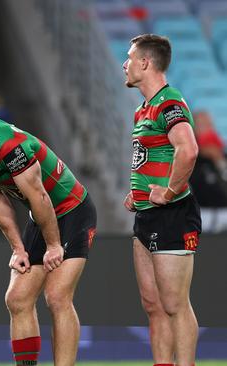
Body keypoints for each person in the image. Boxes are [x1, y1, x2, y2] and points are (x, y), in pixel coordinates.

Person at [0, 91, 96, 365]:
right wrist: (18, 248)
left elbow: (39, 197)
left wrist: (53, 245)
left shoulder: (11, 147)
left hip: (72, 211)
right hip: (41, 216)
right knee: (17, 298)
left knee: (56, 297)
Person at [122, 34, 201, 366]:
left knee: (174, 304)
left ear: (145, 63)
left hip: (172, 214)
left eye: (129, 57)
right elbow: (154, 155)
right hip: (145, 214)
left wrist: (168, 192)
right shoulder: (144, 108)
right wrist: (138, 191)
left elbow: (189, 148)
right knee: (152, 304)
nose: (123, 64)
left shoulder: (169, 104)